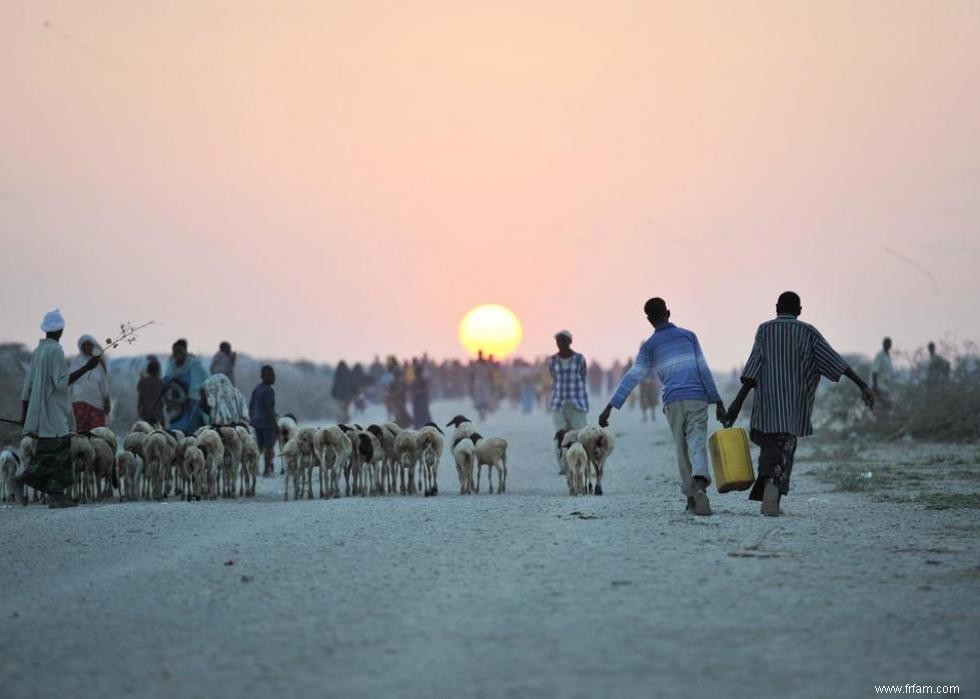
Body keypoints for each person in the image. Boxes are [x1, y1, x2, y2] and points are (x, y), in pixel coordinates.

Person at [725, 291, 875, 516]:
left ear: (776, 307)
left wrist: (736, 404)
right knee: (784, 451)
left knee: (769, 449)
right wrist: (862, 385)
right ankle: (772, 493)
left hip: (766, 408)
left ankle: (768, 488)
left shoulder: (765, 330)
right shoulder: (808, 332)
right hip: (793, 409)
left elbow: (751, 372)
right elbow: (837, 363)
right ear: (799, 311)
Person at [598, 298, 725, 516]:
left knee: (681, 448)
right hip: (697, 397)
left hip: (673, 399)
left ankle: (691, 498)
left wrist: (611, 406)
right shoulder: (689, 336)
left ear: (648, 319)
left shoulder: (649, 346)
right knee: (697, 443)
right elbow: (703, 370)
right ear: (668, 312)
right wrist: (718, 402)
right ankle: (701, 486)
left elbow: (633, 376)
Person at [14, 309, 101, 507]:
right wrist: (87, 368)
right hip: (53, 413)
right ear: (61, 330)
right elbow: (62, 383)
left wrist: (25, 414)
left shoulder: (38, 352)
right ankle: (20, 480)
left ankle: (56, 497)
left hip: (41, 414)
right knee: (56, 453)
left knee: (51, 452)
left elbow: (28, 385)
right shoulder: (56, 351)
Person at [549, 329, 589, 440]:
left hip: (577, 403)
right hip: (558, 403)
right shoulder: (553, 360)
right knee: (561, 436)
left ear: (569, 342)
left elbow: (583, 376)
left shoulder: (579, 359)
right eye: (558, 341)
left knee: (579, 436)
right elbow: (552, 377)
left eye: (563, 340)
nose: (560, 343)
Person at [163, 339, 209, 432]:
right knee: (176, 433)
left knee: (193, 432)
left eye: (180, 350)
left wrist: (195, 399)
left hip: (193, 405)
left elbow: (201, 386)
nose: (178, 353)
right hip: (176, 408)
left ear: (185, 351)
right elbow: (166, 384)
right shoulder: (171, 367)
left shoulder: (195, 366)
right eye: (175, 351)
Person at [69, 334, 111, 432]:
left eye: (89, 345)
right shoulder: (75, 363)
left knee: (97, 435)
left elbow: (104, 385)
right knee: (80, 435)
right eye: (84, 345)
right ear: (80, 347)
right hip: (78, 403)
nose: (87, 347)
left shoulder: (98, 364)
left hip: (96, 404)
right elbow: (68, 383)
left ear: (93, 346)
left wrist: (106, 400)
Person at [249, 365, 277, 477]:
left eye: (273, 375)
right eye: (271, 376)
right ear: (264, 377)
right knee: (268, 447)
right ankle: (267, 470)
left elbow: (251, 405)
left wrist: (251, 419)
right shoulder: (269, 390)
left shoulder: (257, 388)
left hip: (255, 422)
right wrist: (275, 424)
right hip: (266, 423)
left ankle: (252, 468)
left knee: (258, 448)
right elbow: (269, 409)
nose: (273, 378)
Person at [138, 357, 166, 426]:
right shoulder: (160, 382)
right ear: (157, 370)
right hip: (158, 413)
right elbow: (164, 397)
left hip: (146, 413)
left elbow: (140, 397)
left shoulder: (142, 382)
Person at [870, 337, 895, 411]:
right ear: (883, 344)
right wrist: (875, 388)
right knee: (881, 409)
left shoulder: (888, 356)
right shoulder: (880, 355)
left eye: (889, 343)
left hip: (886, 387)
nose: (888, 345)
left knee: (887, 408)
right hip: (879, 387)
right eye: (886, 343)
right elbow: (874, 371)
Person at [470, 351, 494, 421]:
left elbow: (490, 373)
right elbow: (472, 375)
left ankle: (484, 415)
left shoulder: (485, 363)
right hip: (478, 383)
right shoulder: (476, 363)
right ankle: (481, 415)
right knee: (479, 401)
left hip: (484, 383)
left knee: (484, 400)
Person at [411, 357, 433, 428]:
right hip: (418, 400)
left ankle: (423, 424)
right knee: (419, 412)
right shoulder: (416, 381)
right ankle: (418, 424)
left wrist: (419, 392)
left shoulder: (422, 380)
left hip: (422, 399)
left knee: (423, 412)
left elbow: (425, 390)